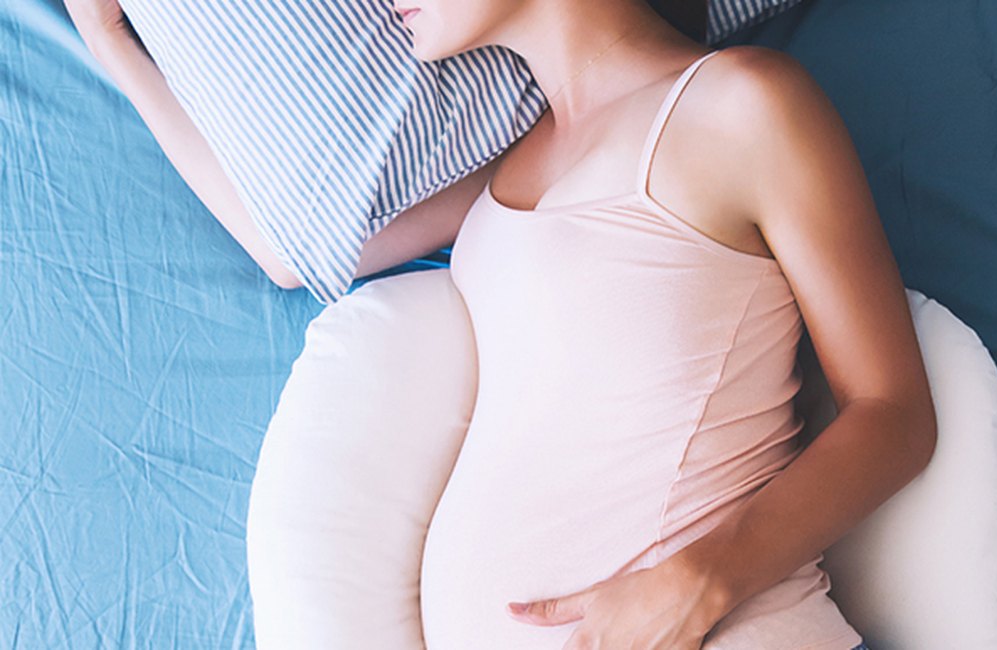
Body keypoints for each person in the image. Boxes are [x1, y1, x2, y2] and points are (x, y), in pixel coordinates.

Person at [65, 0, 935, 647]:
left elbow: (894, 412)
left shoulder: (742, 105)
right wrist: (110, 40)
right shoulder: (500, 175)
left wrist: (703, 581)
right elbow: (291, 252)